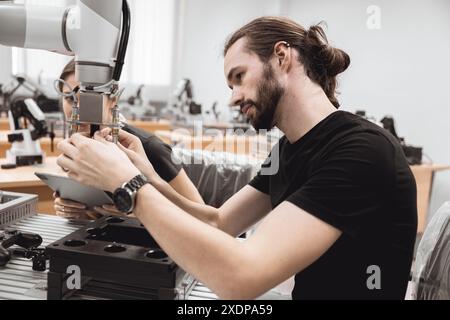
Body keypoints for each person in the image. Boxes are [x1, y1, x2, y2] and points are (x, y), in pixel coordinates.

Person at [57, 17, 417, 299]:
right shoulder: (292, 147)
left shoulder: (361, 151)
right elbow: (219, 223)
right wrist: (146, 175)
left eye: (239, 77)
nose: (233, 98)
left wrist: (128, 186)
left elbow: (240, 277)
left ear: (282, 56)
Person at [54, 59, 203, 219]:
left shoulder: (150, 148)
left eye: (89, 97)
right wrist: (72, 208)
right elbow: (95, 212)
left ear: (113, 100)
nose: (78, 107)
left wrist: (139, 215)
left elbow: (202, 218)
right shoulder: (79, 148)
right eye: (69, 98)